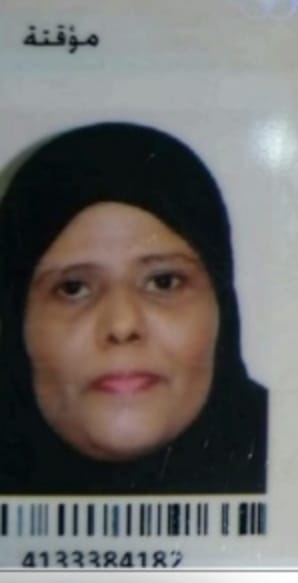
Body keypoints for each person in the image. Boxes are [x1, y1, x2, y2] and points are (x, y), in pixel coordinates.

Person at [0, 122, 267, 494]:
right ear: (16, 320)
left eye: (164, 282)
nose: (122, 325)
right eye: (73, 288)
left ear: (221, 308)